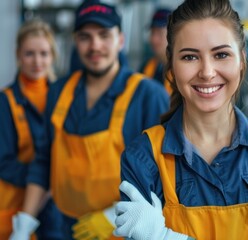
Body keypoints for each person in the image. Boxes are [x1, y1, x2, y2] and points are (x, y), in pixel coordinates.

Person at [114, 0, 248, 239]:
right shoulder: (143, 158)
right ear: (171, 64)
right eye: (190, 57)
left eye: (221, 54)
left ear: (241, 60)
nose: (207, 72)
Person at [10, 0, 169, 239]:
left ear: (121, 40)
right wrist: (24, 224)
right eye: (85, 37)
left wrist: (112, 215)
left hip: (120, 229)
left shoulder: (148, 95)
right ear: (76, 42)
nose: (95, 46)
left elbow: (163, 175)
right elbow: (44, 161)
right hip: (59, 227)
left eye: (104, 35)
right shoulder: (58, 92)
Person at [0, 19, 63, 240]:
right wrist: (45, 179)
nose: (37, 61)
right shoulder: (5, 102)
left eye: (44, 53)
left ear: (52, 56)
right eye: (30, 53)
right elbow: (3, 162)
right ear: (18, 55)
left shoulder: (65, 97)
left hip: (58, 210)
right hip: (19, 209)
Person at [140, 8, 173, 94]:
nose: (154, 39)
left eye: (159, 33)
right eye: (152, 33)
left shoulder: (181, 71)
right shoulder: (146, 66)